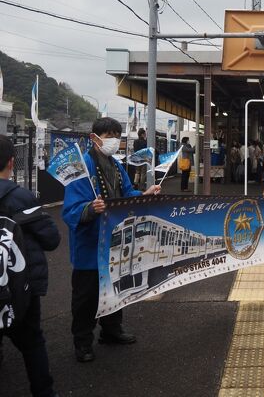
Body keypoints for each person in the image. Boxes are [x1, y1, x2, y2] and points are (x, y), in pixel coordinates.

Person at [62, 117, 161, 363]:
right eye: (109, 135)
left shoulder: (115, 166)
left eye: (116, 135)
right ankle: (83, 341)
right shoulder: (82, 168)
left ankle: (111, 330)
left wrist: (144, 195)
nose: (114, 141)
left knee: (115, 289)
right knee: (86, 296)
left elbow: (127, 194)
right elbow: (70, 210)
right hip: (89, 246)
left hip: (116, 242)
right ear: (95, 138)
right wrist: (89, 208)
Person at [0, 134, 61, 396]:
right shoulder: (21, 197)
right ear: (12, 162)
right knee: (32, 341)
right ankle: (44, 392)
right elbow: (51, 239)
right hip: (20, 283)